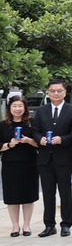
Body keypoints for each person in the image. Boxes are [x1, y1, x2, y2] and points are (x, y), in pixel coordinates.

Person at [34, 79, 72, 237]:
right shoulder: (41, 111)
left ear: (65, 92)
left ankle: (66, 224)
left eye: (59, 91)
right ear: (48, 92)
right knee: (47, 193)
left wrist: (62, 140)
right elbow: (35, 130)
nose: (56, 93)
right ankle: (49, 225)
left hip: (64, 158)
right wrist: (40, 139)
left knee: (65, 192)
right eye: (53, 91)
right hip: (45, 158)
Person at [1, 95, 39, 236]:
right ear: (9, 108)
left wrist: (28, 140)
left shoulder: (32, 123)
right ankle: (15, 226)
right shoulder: (3, 125)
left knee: (28, 195)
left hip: (29, 164)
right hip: (10, 165)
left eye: (20, 106)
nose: (17, 109)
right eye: (14, 106)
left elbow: (39, 143)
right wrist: (10, 144)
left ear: (25, 108)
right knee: (12, 196)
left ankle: (27, 225)